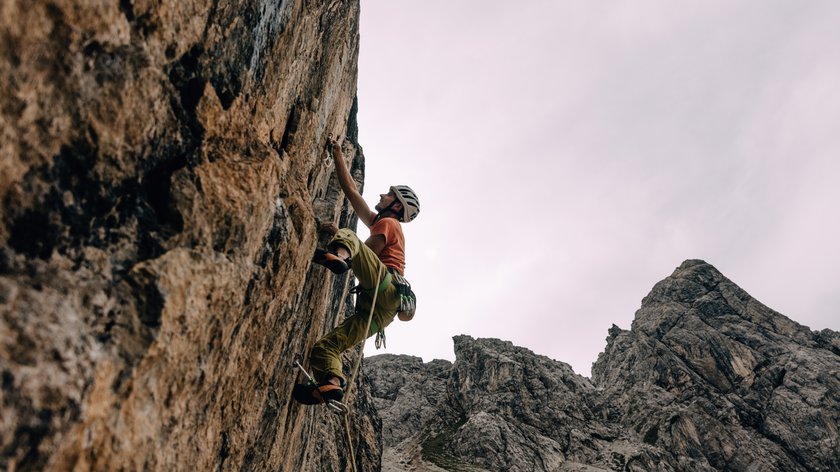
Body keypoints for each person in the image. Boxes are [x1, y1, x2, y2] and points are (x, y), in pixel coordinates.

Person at [293, 138, 420, 405]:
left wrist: (341, 242)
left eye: (388, 194)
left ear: (396, 206)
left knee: (349, 234)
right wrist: (338, 154)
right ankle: (330, 385)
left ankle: (338, 256)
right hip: (379, 313)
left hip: (383, 286)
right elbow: (351, 192)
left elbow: (368, 251)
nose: (381, 196)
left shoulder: (389, 223)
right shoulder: (382, 220)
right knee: (328, 347)